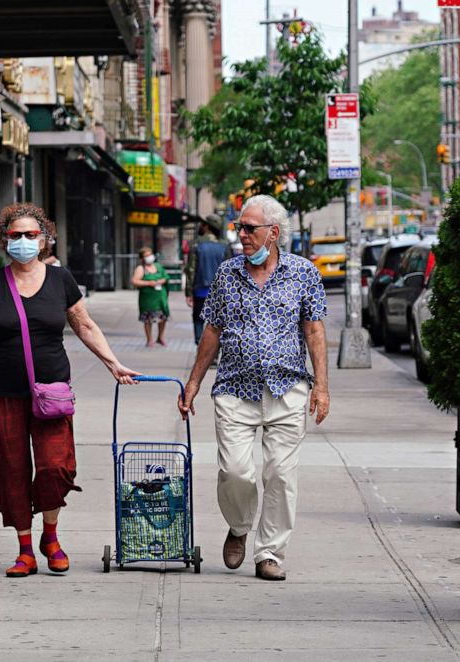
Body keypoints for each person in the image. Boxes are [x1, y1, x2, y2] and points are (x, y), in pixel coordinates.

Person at [0, 203, 141, 578]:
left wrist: (112, 362)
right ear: (4, 240)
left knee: (55, 467)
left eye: (29, 235)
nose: (21, 241)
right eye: (14, 235)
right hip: (1, 392)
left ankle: (50, 535)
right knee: (10, 470)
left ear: (45, 239)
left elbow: (84, 326)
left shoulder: (60, 279)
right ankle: (25, 549)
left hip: (51, 392)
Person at [177, 194, 330, 582]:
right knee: (235, 471)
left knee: (280, 474)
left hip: (287, 387)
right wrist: (193, 382)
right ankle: (240, 525)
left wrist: (322, 387)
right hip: (234, 387)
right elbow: (211, 330)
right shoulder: (228, 274)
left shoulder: (304, 273)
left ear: (273, 233)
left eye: (249, 228)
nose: (241, 233)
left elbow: (314, 330)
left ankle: (269, 554)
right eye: (239, 227)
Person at [184, 214, 232, 345]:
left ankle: (200, 348)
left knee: (199, 320)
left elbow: (191, 270)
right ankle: (214, 356)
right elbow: (229, 271)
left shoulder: (196, 245)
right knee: (216, 323)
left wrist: (188, 293)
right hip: (220, 293)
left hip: (200, 291)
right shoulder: (224, 245)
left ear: (206, 226)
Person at [130, 247, 170, 347]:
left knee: (162, 317)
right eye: (146, 255)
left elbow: (166, 277)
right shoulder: (140, 268)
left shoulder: (158, 266)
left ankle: (160, 337)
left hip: (160, 298)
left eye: (150, 254)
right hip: (147, 299)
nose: (149, 257)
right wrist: (148, 283)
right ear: (142, 258)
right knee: (148, 319)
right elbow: (135, 281)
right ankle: (149, 339)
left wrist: (161, 281)